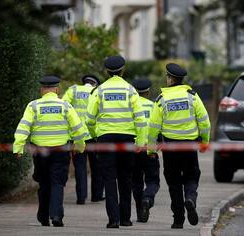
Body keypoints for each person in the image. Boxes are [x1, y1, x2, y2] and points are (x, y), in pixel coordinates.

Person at [13, 75, 89, 227]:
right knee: (57, 183)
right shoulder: (66, 106)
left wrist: (18, 147)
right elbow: (78, 129)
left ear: (42, 90)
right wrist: (79, 146)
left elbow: (24, 127)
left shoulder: (33, 106)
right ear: (57, 89)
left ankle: (43, 216)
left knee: (44, 183)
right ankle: (56, 216)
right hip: (60, 151)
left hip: (40, 152)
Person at [85, 55, 147, 228]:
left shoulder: (100, 91)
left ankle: (113, 220)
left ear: (106, 71)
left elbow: (89, 119)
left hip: (105, 139)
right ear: (123, 69)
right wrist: (140, 142)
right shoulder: (130, 90)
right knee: (126, 179)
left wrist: (95, 137)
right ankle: (126, 218)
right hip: (127, 140)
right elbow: (140, 119)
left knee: (109, 179)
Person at [147, 63, 211, 229]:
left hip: (170, 148)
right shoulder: (192, 96)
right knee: (191, 175)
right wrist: (205, 141)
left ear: (169, 78)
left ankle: (178, 220)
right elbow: (204, 121)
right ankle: (190, 198)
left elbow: (153, 126)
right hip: (189, 146)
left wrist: (151, 149)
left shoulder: (162, 99)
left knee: (174, 182)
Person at [62, 74, 105, 204]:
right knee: (97, 166)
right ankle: (96, 195)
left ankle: (81, 197)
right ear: (95, 84)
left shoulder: (73, 90)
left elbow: (63, 106)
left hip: (77, 136)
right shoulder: (97, 92)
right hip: (93, 135)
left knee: (80, 167)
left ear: (84, 82)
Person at [131, 77, 160, 223]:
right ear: (148, 92)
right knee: (153, 180)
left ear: (135, 92)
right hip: (150, 150)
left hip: (134, 150)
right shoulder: (154, 106)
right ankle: (147, 199)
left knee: (136, 182)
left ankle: (139, 214)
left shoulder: (130, 107)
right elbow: (158, 127)